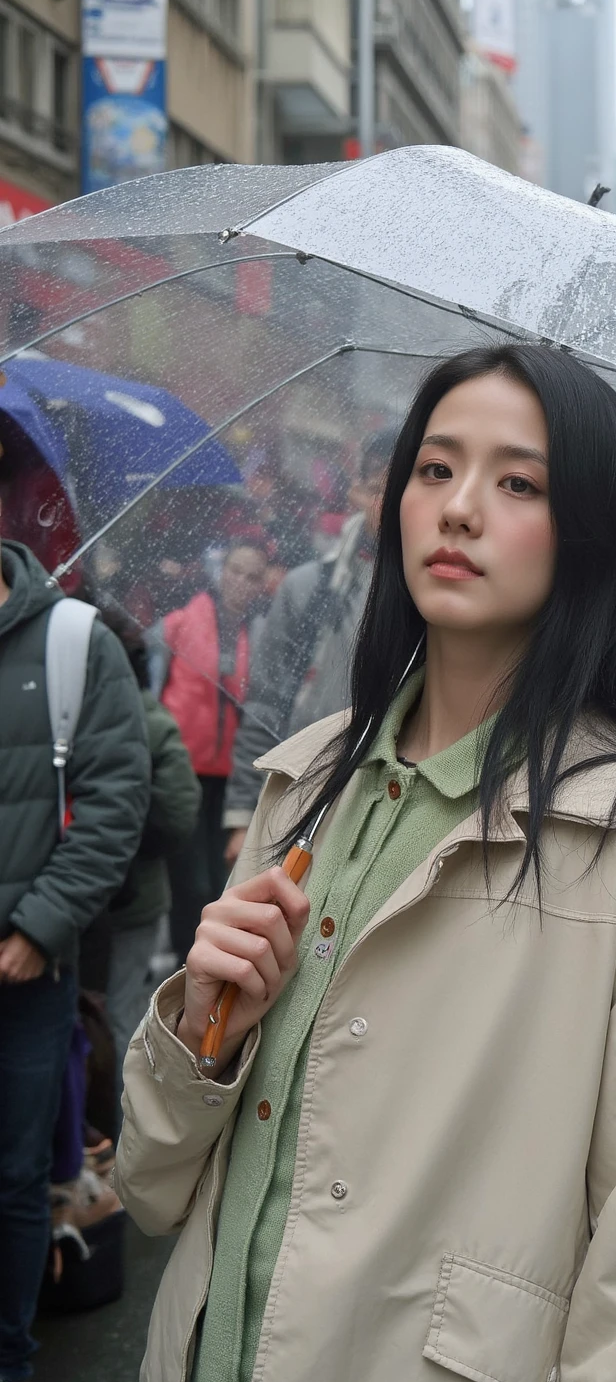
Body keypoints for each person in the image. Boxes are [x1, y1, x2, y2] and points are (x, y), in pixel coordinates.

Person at [114, 345, 616, 1382]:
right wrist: (197, 1029)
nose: (457, 509)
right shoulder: (303, 787)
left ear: (589, 532)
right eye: (434, 468)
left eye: (518, 483)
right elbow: (152, 1184)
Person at [0, 523, 149, 1382]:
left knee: (13, 1182)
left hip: (22, 974)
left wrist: (38, 929)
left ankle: (7, 1375)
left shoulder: (70, 642)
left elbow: (116, 796)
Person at [222, 430, 394, 867]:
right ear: (356, 492)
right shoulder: (310, 589)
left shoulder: (440, 603)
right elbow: (266, 700)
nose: (391, 502)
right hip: (299, 802)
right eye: (379, 487)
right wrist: (245, 815)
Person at [100, 607, 201, 1102]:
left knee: (120, 1013)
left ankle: (123, 1132)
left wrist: (120, 842)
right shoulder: (78, 711)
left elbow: (178, 811)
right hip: (93, 903)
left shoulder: (147, 721)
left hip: (130, 898)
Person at [154, 536, 268, 959]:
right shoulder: (181, 622)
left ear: (262, 584)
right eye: (235, 571)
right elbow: (154, 684)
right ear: (221, 572)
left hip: (234, 773)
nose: (241, 581)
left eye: (252, 575)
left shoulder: (262, 632)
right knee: (189, 876)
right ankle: (185, 956)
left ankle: (205, 954)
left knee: (222, 875)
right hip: (184, 767)